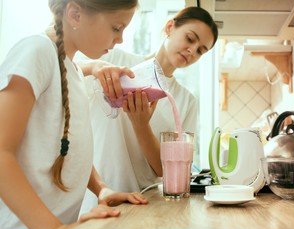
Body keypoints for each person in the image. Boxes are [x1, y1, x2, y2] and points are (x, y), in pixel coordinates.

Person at [0, 0, 148, 229]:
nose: (120, 39)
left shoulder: (74, 71)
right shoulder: (36, 51)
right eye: (116, 27)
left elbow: (66, 147)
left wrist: (102, 188)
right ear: (75, 14)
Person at [79, 6, 218, 212]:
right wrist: (93, 67)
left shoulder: (186, 101)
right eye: (190, 39)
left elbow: (168, 170)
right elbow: (66, 74)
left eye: (200, 51)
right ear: (170, 27)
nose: (192, 50)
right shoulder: (116, 61)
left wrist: (141, 125)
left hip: (142, 201)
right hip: (97, 194)